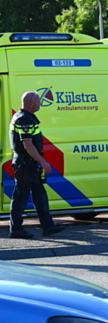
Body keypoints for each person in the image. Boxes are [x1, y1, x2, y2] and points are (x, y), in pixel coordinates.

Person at [9, 91, 62, 239]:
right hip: (25, 164)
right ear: (31, 103)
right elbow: (28, 144)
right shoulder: (24, 119)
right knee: (21, 197)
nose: (40, 103)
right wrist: (43, 162)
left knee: (40, 196)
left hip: (29, 163)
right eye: (38, 101)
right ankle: (16, 229)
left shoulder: (26, 117)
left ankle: (48, 227)